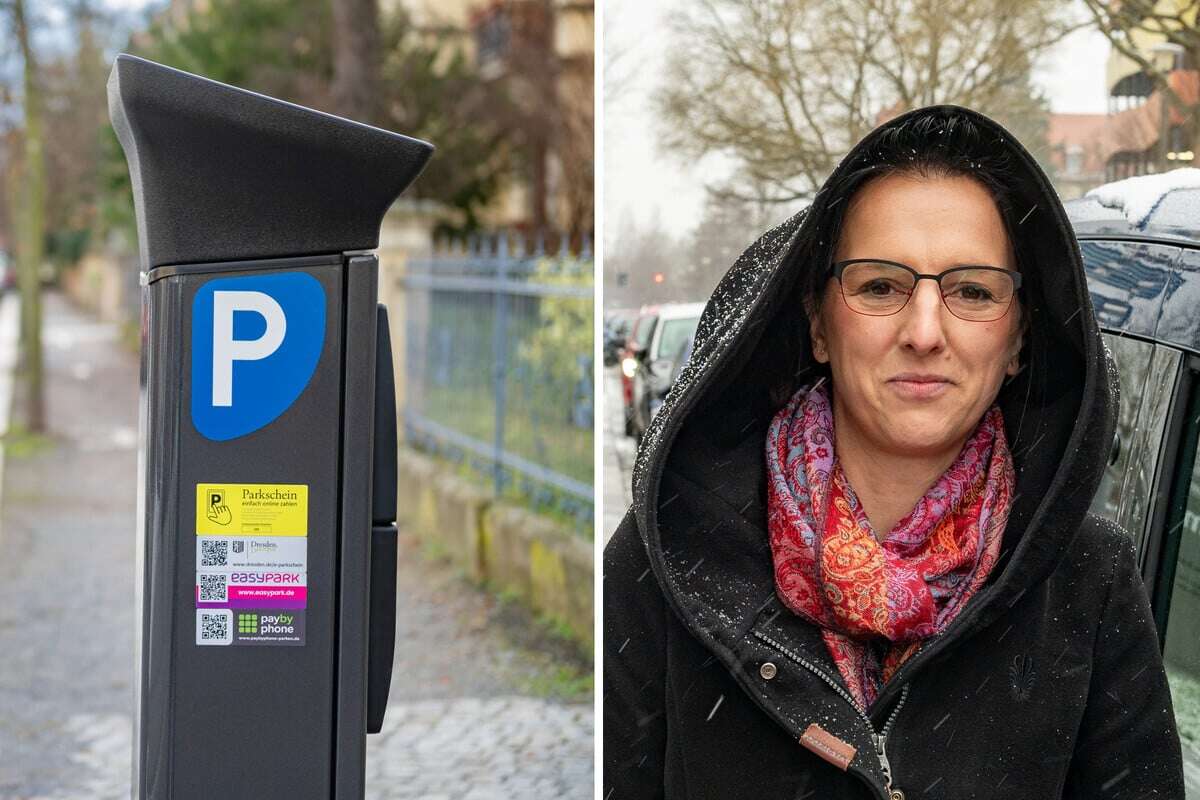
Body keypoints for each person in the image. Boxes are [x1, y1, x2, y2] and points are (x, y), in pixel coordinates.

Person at [603, 106, 1185, 799]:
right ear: (819, 323)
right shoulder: (674, 552)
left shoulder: (1089, 581)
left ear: (1019, 339)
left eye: (972, 290)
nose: (924, 330)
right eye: (881, 286)